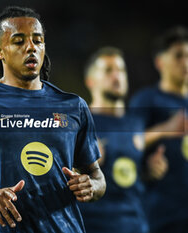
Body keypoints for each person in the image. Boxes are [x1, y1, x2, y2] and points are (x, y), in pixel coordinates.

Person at [0, 6, 106, 233]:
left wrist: (90, 185)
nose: (31, 47)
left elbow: (98, 178)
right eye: (18, 41)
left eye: (38, 40)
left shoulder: (73, 106)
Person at [78, 47, 168, 233]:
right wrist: (81, 164)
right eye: (108, 70)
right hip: (92, 226)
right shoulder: (78, 122)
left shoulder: (135, 123)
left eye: (121, 70)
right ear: (91, 81)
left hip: (134, 224)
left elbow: (132, 175)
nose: (117, 76)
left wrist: (151, 172)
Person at [129, 26, 188, 233]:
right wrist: (165, 129)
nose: (185, 62)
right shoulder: (147, 99)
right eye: (178, 55)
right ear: (160, 62)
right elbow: (127, 142)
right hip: (161, 214)